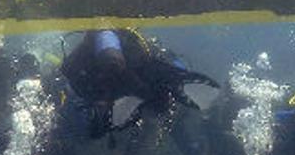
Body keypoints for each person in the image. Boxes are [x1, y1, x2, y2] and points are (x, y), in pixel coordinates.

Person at [61, 29, 218, 140]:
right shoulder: (88, 87)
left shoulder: (82, 81)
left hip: (128, 64)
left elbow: (113, 63)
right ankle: (174, 80)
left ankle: (174, 80)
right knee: (156, 84)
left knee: (133, 68)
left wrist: (142, 92)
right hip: (133, 70)